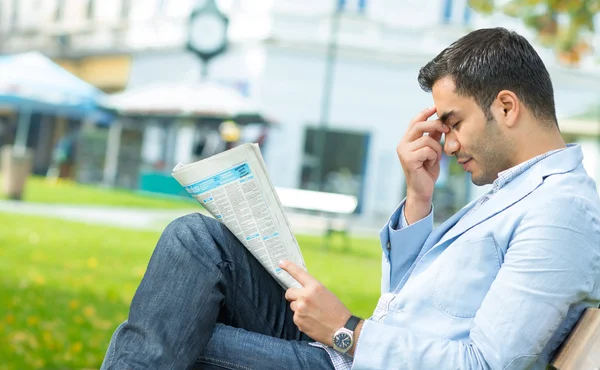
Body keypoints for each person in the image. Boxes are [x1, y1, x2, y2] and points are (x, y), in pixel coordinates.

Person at [101, 27, 600, 370]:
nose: (446, 143)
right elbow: (413, 305)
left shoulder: (560, 213)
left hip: (352, 353)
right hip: (350, 351)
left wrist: (344, 330)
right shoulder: (518, 187)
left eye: (453, 122)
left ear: (506, 106)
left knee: (167, 332)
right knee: (195, 238)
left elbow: (483, 365)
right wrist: (417, 199)